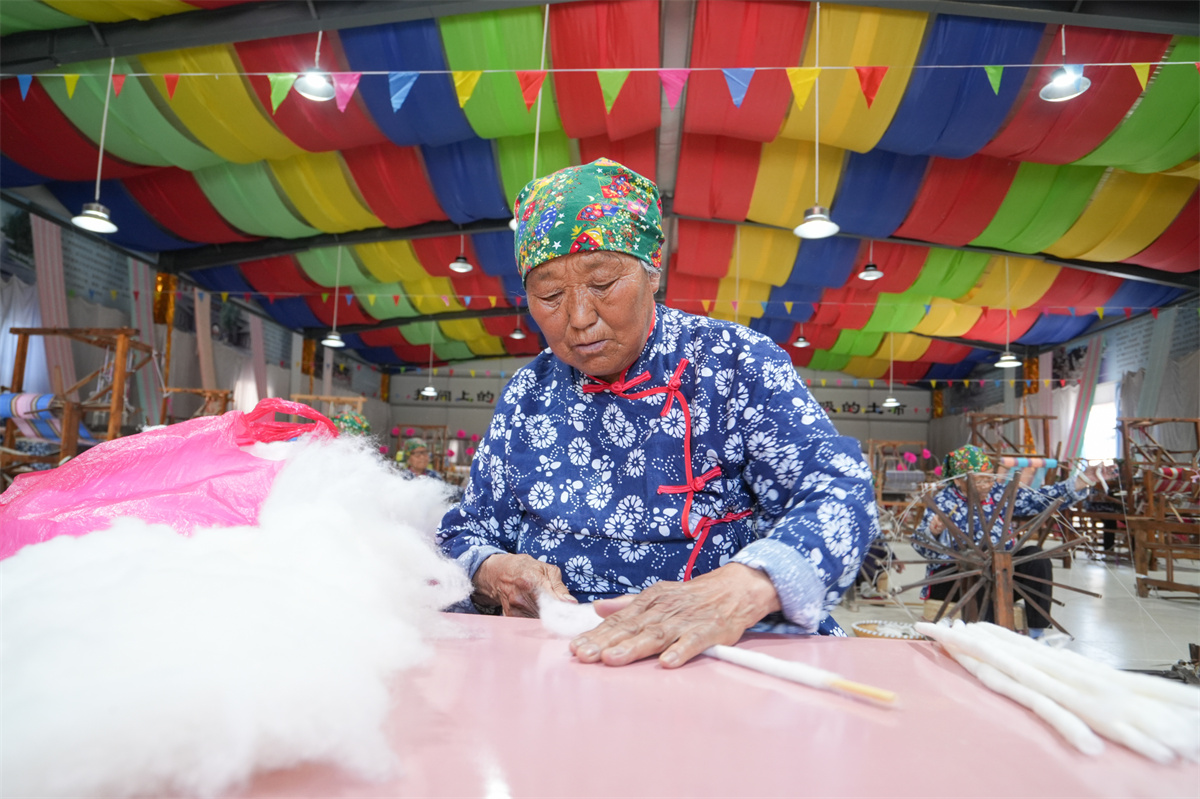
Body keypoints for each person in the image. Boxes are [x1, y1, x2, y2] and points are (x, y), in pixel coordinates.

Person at [436, 158, 878, 668]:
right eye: (550, 295)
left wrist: (744, 588)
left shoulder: (734, 363)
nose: (579, 318)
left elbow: (839, 492)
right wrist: (493, 569)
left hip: (717, 657)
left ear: (653, 271)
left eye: (602, 283)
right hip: (564, 660)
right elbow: (463, 532)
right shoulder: (526, 394)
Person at [913, 445, 1112, 636]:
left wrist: (1083, 479)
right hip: (956, 580)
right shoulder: (944, 500)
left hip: (1001, 574)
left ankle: (1037, 634)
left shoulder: (999, 493)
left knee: (1036, 558)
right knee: (978, 562)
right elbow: (920, 543)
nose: (986, 485)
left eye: (989, 478)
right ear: (958, 481)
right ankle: (987, 637)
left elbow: (1040, 499)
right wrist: (934, 531)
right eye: (979, 480)